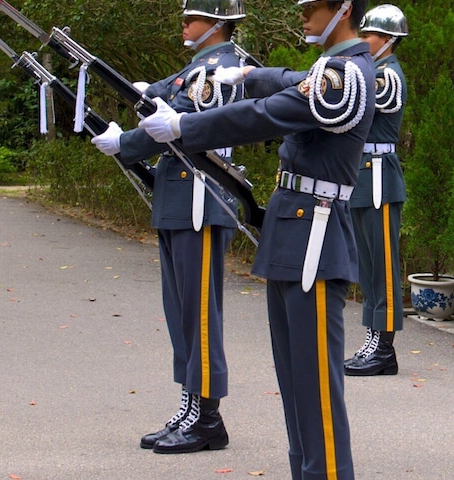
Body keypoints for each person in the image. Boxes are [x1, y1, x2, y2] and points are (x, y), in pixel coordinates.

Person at [138, 0, 373, 477]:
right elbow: (288, 83)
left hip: (315, 236)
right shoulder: (327, 69)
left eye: (311, 6)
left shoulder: (347, 75)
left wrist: (185, 125)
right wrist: (247, 75)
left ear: (344, 8)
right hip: (292, 231)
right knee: (294, 386)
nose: (302, 15)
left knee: (315, 391)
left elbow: (268, 114)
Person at [90, 0, 250, 455]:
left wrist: (125, 143)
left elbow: (176, 124)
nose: (184, 23)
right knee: (181, 311)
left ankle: (208, 417)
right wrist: (139, 92)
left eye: (193, 17)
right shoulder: (197, 67)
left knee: (198, 314)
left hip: (199, 196)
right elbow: (166, 91)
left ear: (218, 24)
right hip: (179, 196)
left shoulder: (218, 70)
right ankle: (190, 405)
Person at [342, 4, 409, 377]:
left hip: (380, 177)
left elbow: (365, 103)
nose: (362, 40)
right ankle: (373, 337)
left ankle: (384, 346)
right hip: (362, 178)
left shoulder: (388, 76)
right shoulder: (374, 71)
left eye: (367, 35)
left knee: (383, 265)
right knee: (367, 266)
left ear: (386, 40)